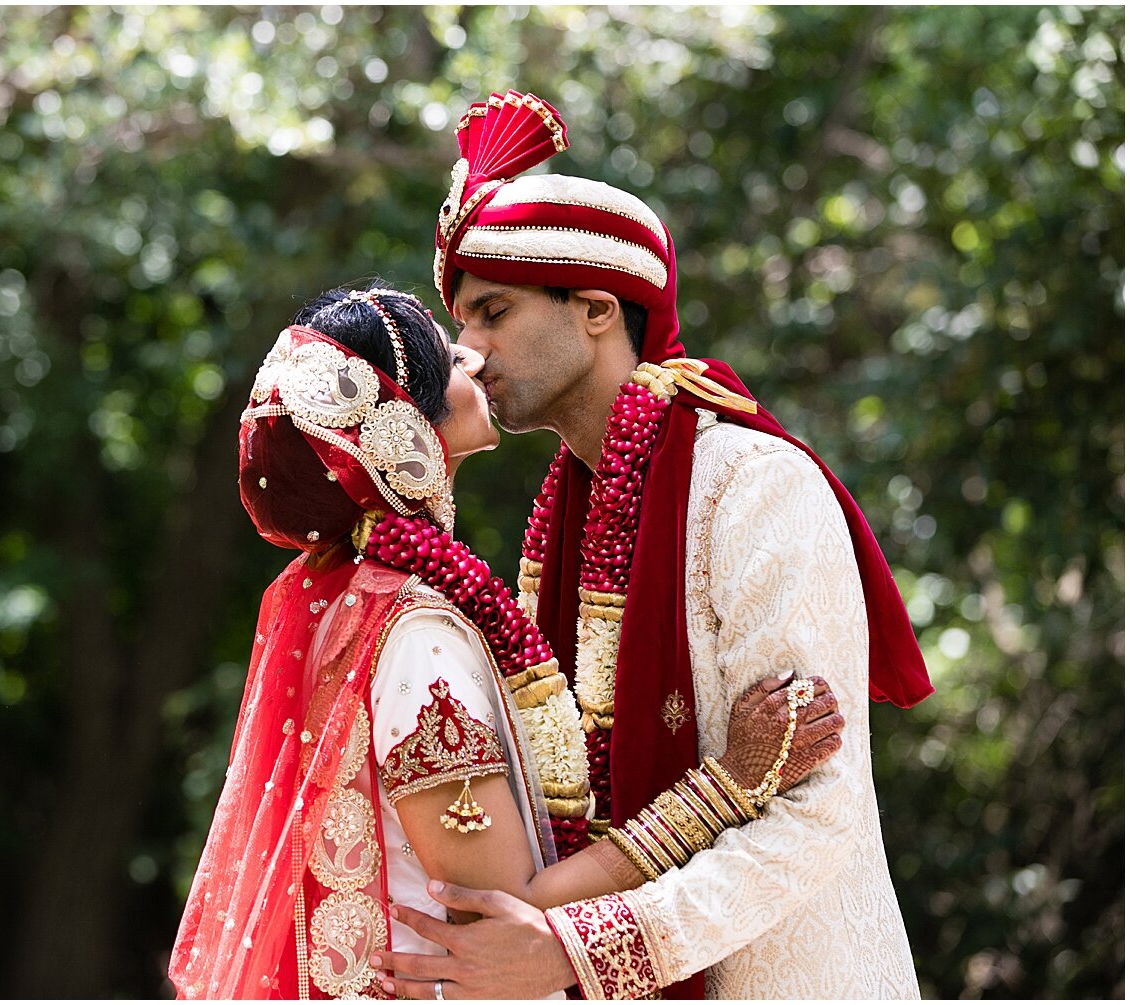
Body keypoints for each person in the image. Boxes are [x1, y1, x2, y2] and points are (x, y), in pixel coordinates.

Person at [373, 90, 936, 1000]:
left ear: (597, 307)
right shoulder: (562, 515)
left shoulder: (751, 487)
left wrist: (578, 950)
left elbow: (814, 809)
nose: (466, 353)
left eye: (493, 312)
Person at [168, 284, 847, 999]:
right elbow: (505, 908)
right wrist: (725, 788)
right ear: (404, 429)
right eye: (447, 348)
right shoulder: (416, 633)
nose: (472, 352)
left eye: (488, 318)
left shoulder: (345, 598)